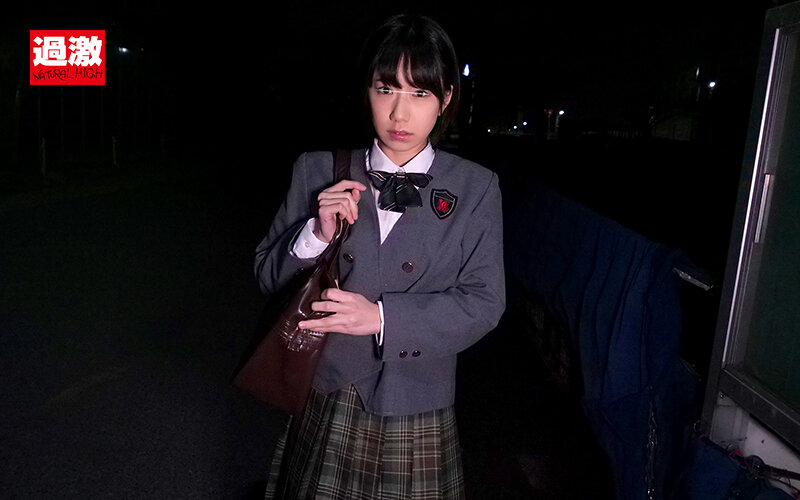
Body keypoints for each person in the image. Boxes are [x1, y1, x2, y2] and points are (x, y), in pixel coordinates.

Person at [254, 13, 505, 499]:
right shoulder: (317, 170)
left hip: (416, 402)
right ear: (366, 90)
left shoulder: (475, 188)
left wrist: (383, 318)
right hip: (328, 393)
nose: (399, 115)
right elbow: (267, 276)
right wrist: (315, 235)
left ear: (446, 98)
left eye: (420, 93)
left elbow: (484, 302)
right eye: (386, 89)